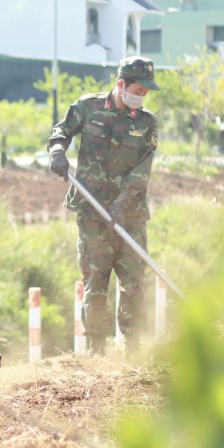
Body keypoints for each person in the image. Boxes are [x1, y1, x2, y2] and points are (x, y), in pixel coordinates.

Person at [47, 57, 160, 353]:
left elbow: (142, 171)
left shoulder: (147, 123)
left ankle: (134, 346)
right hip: (92, 211)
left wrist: (122, 203)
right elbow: (62, 130)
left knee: (133, 281)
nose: (142, 95)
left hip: (130, 215)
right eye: (139, 89)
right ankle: (97, 347)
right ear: (121, 84)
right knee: (95, 280)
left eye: (146, 92)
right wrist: (58, 151)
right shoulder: (89, 107)